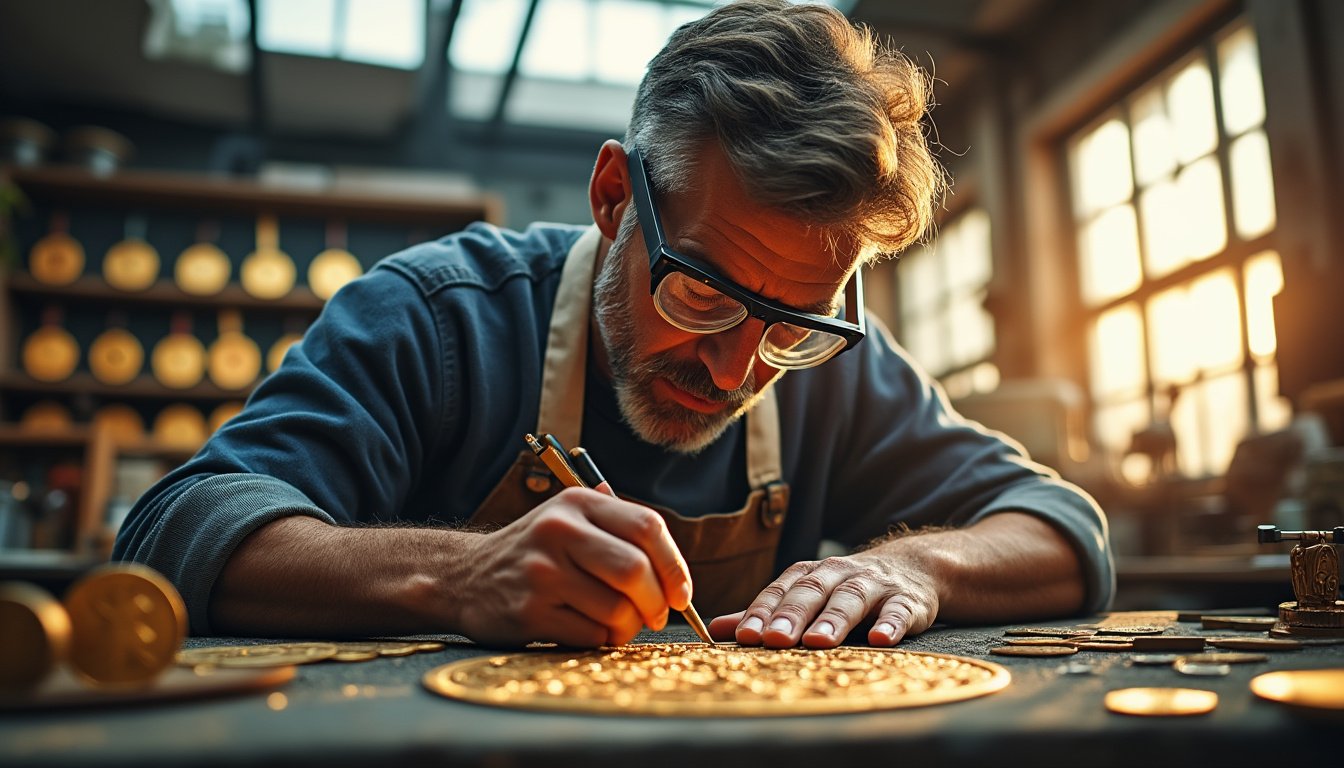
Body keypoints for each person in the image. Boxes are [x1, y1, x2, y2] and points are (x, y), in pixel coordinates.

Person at [115, 0, 1114, 649]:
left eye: (791, 321)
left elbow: (1065, 532)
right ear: (611, 198)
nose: (735, 370)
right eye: (704, 293)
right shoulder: (439, 318)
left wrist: (911, 564)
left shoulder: (830, 367)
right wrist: (457, 578)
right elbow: (173, 533)